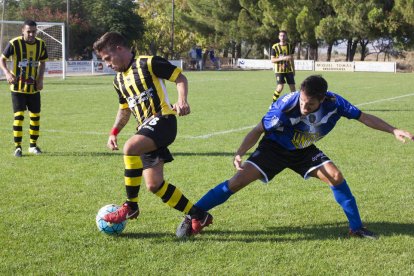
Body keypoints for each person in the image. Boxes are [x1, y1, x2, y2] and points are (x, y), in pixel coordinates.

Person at [177, 75, 414, 239]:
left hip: (303, 150)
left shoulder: (336, 103)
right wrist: (239, 152)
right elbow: (258, 129)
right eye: (302, 101)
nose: (304, 107)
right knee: (236, 182)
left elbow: (364, 117)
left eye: (310, 104)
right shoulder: (284, 107)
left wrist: (393, 130)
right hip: (274, 149)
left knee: (335, 176)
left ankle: (356, 228)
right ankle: (194, 213)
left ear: (322, 99)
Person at [92, 32, 210, 227]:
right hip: (145, 129)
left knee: (130, 147)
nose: (107, 64)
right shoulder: (118, 81)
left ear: (119, 49)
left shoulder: (148, 63)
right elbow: (125, 109)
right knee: (154, 185)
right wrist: (114, 132)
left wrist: (182, 100)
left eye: (107, 58)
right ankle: (198, 215)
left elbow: (179, 77)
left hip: (163, 120)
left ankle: (131, 206)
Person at [0, 20, 48, 157]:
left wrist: (40, 79)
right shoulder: (14, 43)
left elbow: (43, 62)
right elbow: (2, 59)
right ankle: (18, 147)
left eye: (34, 31)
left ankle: (33, 146)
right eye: (28, 31)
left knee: (35, 117)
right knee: (19, 116)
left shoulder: (41, 44)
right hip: (17, 88)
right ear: (23, 30)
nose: (31, 34)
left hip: (33, 88)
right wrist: (8, 73)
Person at [270, 30, 295, 102]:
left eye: (284, 35)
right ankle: (273, 102)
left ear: (286, 36)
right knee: (280, 87)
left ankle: (294, 104)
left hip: (289, 70)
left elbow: (292, 59)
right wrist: (283, 58)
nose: (282, 37)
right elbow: (272, 60)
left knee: (293, 88)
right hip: (279, 70)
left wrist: (293, 70)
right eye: (281, 35)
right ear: (279, 37)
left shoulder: (290, 46)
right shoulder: (275, 47)